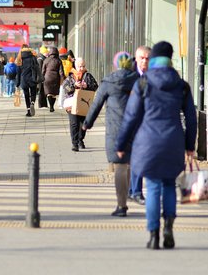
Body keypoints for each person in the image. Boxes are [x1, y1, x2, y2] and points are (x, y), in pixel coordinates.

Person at [116, 41, 197, 249]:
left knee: (152, 187)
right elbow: (191, 118)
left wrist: (122, 143)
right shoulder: (182, 85)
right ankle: (169, 226)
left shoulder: (143, 83)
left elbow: (131, 117)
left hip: (148, 142)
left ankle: (153, 235)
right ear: (170, 59)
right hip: (174, 142)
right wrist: (190, 146)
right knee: (169, 184)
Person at [83, 52, 139, 216]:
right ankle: (129, 192)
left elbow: (96, 104)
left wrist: (87, 124)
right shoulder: (138, 80)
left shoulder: (109, 81)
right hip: (136, 127)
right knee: (129, 163)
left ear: (116, 65)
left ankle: (121, 205)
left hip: (116, 129)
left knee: (120, 166)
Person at [128, 45, 151, 205]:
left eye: (147, 58)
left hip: (148, 123)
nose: (144, 61)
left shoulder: (154, 75)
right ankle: (134, 191)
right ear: (136, 59)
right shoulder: (129, 76)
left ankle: (133, 190)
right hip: (132, 122)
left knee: (139, 158)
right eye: (141, 57)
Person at [61, 57, 98, 151]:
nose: (82, 68)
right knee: (74, 123)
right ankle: (75, 143)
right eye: (80, 66)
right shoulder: (70, 76)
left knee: (83, 123)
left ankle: (80, 139)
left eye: (83, 66)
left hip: (84, 104)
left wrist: (87, 86)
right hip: (72, 104)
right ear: (76, 66)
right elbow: (65, 88)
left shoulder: (88, 76)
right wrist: (74, 86)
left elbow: (95, 86)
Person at [16, 44, 39, 117]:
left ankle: (28, 110)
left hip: (24, 79)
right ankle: (32, 103)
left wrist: (17, 83)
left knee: (26, 95)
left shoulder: (20, 58)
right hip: (32, 78)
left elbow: (18, 72)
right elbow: (37, 68)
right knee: (33, 93)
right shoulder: (33, 57)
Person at [42, 47, 65, 112]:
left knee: (49, 93)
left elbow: (43, 70)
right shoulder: (58, 60)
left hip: (47, 78)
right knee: (54, 94)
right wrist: (63, 78)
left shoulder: (46, 60)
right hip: (55, 78)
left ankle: (51, 106)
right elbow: (61, 72)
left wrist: (42, 77)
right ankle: (52, 106)